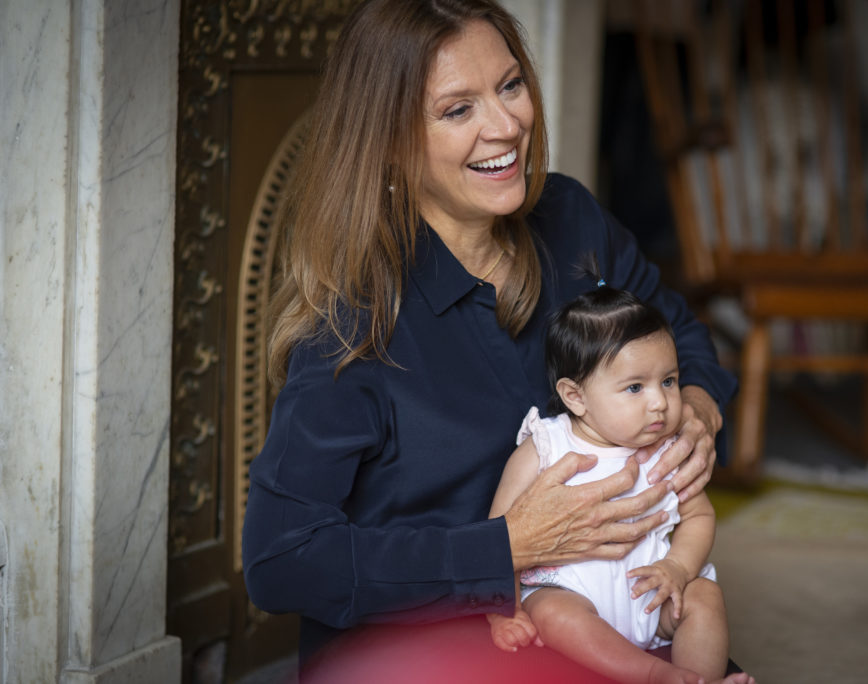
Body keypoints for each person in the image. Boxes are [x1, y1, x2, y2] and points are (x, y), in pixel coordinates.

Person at [241, 0, 738, 679]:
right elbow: (280, 563)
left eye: (510, 86)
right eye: (457, 110)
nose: (506, 126)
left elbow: (682, 334)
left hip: (620, 615)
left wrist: (700, 413)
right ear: (388, 141)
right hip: (428, 648)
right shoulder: (353, 326)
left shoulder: (571, 222)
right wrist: (506, 548)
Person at [488, 284, 752, 684]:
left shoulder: (668, 448)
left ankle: (699, 678)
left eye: (669, 380)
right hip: (572, 592)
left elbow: (699, 515)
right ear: (576, 397)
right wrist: (503, 611)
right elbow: (500, 534)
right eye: (635, 387)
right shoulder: (546, 446)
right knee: (552, 613)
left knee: (704, 595)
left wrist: (677, 568)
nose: (660, 402)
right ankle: (652, 674)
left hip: (651, 593)